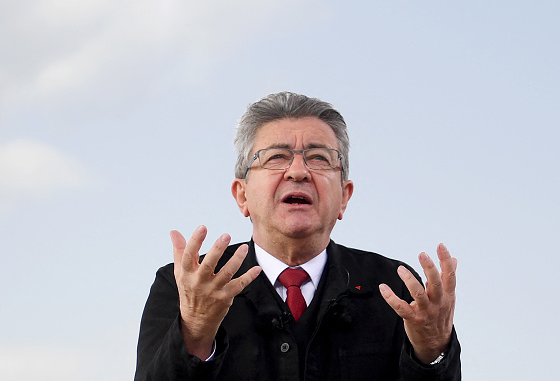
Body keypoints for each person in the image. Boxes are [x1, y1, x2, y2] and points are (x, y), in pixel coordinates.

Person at [134, 92, 461, 381]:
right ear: (242, 195)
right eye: (276, 157)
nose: (298, 172)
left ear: (344, 197)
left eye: (319, 158)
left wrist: (432, 352)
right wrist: (194, 332)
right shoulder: (184, 286)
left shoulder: (394, 290)